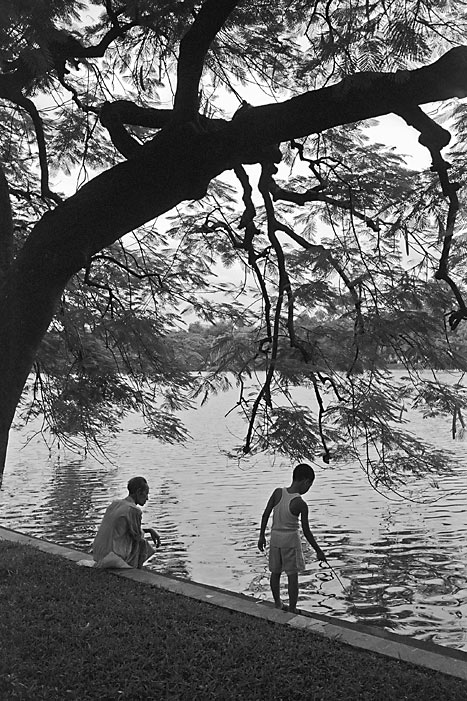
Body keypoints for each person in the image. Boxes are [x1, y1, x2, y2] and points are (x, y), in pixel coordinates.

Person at [258, 463, 325, 613]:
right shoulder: (300, 504)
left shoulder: (277, 493)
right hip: (291, 543)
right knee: (292, 576)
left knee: (275, 573)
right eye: (309, 485)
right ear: (305, 482)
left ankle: (277, 603)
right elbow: (306, 531)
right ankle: (293, 608)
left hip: (275, 540)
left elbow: (266, 514)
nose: (308, 489)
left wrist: (261, 536)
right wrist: (318, 551)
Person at [92, 476, 161, 569]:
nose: (147, 498)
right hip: (112, 556)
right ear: (138, 492)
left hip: (98, 554)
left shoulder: (115, 503)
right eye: (146, 494)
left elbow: (126, 529)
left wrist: (149, 530)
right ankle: (136, 569)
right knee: (142, 543)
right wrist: (147, 532)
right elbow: (137, 536)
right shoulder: (133, 510)